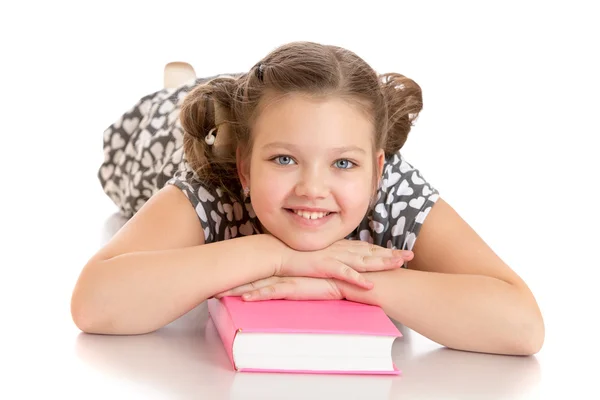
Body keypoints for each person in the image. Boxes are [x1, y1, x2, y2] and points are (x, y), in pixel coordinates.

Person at [71, 41, 544, 356]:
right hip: (155, 134)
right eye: (283, 160)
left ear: (378, 169)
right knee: (177, 103)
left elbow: (522, 326)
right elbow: (96, 303)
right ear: (244, 167)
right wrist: (276, 256)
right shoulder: (213, 180)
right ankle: (179, 87)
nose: (313, 190)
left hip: (263, 116)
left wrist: (345, 281)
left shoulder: (391, 188)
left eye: (343, 163)